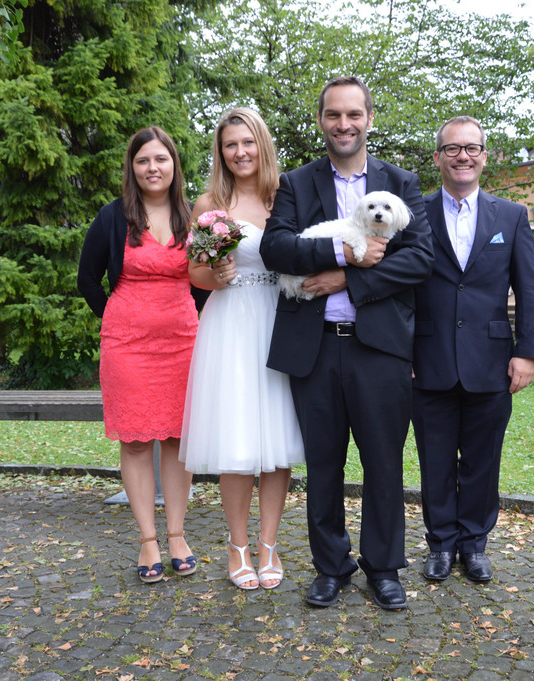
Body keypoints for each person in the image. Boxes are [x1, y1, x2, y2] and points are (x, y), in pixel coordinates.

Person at [259, 76, 434, 610]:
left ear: (369, 119)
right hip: (315, 348)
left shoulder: (400, 182)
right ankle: (331, 567)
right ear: (321, 121)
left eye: (353, 114)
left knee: (383, 462)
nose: (344, 124)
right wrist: (342, 256)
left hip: (378, 348)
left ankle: (383, 567)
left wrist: (349, 282)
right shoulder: (296, 183)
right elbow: (276, 248)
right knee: (323, 464)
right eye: (334, 114)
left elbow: (419, 258)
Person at [411, 115, 534, 584]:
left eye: (471, 148)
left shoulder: (510, 216)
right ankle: (440, 544)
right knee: (435, 460)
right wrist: (402, 353)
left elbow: (529, 289)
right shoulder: (414, 213)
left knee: (483, 460)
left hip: (492, 361)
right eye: (452, 148)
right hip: (426, 361)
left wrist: (527, 352)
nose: (462, 156)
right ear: (438, 157)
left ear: (485, 157)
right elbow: (401, 288)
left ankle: (474, 544)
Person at [180, 108, 304, 591]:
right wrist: (216, 275)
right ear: (221, 152)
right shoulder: (210, 203)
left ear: (262, 144)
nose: (240, 152)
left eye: (247, 142)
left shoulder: (285, 196)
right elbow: (194, 272)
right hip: (230, 322)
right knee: (235, 437)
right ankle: (238, 546)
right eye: (230, 144)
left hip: (279, 319)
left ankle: (269, 544)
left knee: (278, 436)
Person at [77, 126, 207, 585]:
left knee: (176, 440)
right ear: (132, 168)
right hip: (127, 347)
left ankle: (177, 536)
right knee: (134, 442)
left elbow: (205, 281)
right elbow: (87, 280)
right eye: (143, 160)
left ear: (174, 165)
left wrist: (188, 316)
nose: (153, 168)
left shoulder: (194, 217)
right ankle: (148, 540)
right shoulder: (113, 217)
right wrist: (118, 318)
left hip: (183, 344)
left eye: (161, 159)